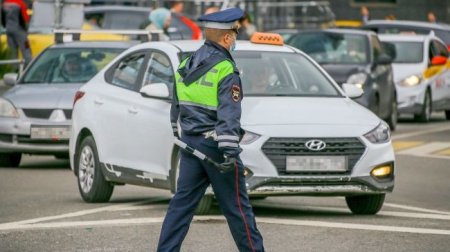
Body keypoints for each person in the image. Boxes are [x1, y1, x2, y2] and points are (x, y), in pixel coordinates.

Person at [158, 7, 265, 252]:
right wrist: (229, 152)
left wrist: (180, 134)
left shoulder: (187, 63)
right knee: (238, 209)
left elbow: (176, 107)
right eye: (235, 34)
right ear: (227, 37)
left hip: (191, 146)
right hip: (217, 149)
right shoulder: (226, 69)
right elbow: (229, 114)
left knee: (181, 206)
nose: (236, 39)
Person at [1, 0, 32, 68]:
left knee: (12, 52)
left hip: (8, 30)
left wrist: (6, 26)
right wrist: (26, 30)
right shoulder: (20, 3)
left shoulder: (5, 4)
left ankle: (14, 70)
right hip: (19, 30)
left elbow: (2, 18)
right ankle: (30, 68)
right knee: (26, 49)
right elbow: (25, 18)